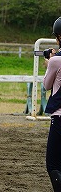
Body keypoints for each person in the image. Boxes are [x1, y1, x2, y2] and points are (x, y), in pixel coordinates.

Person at [43, 17, 61, 192]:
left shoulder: (56, 61)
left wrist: (49, 64)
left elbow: (47, 85)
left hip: (60, 117)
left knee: (53, 164)